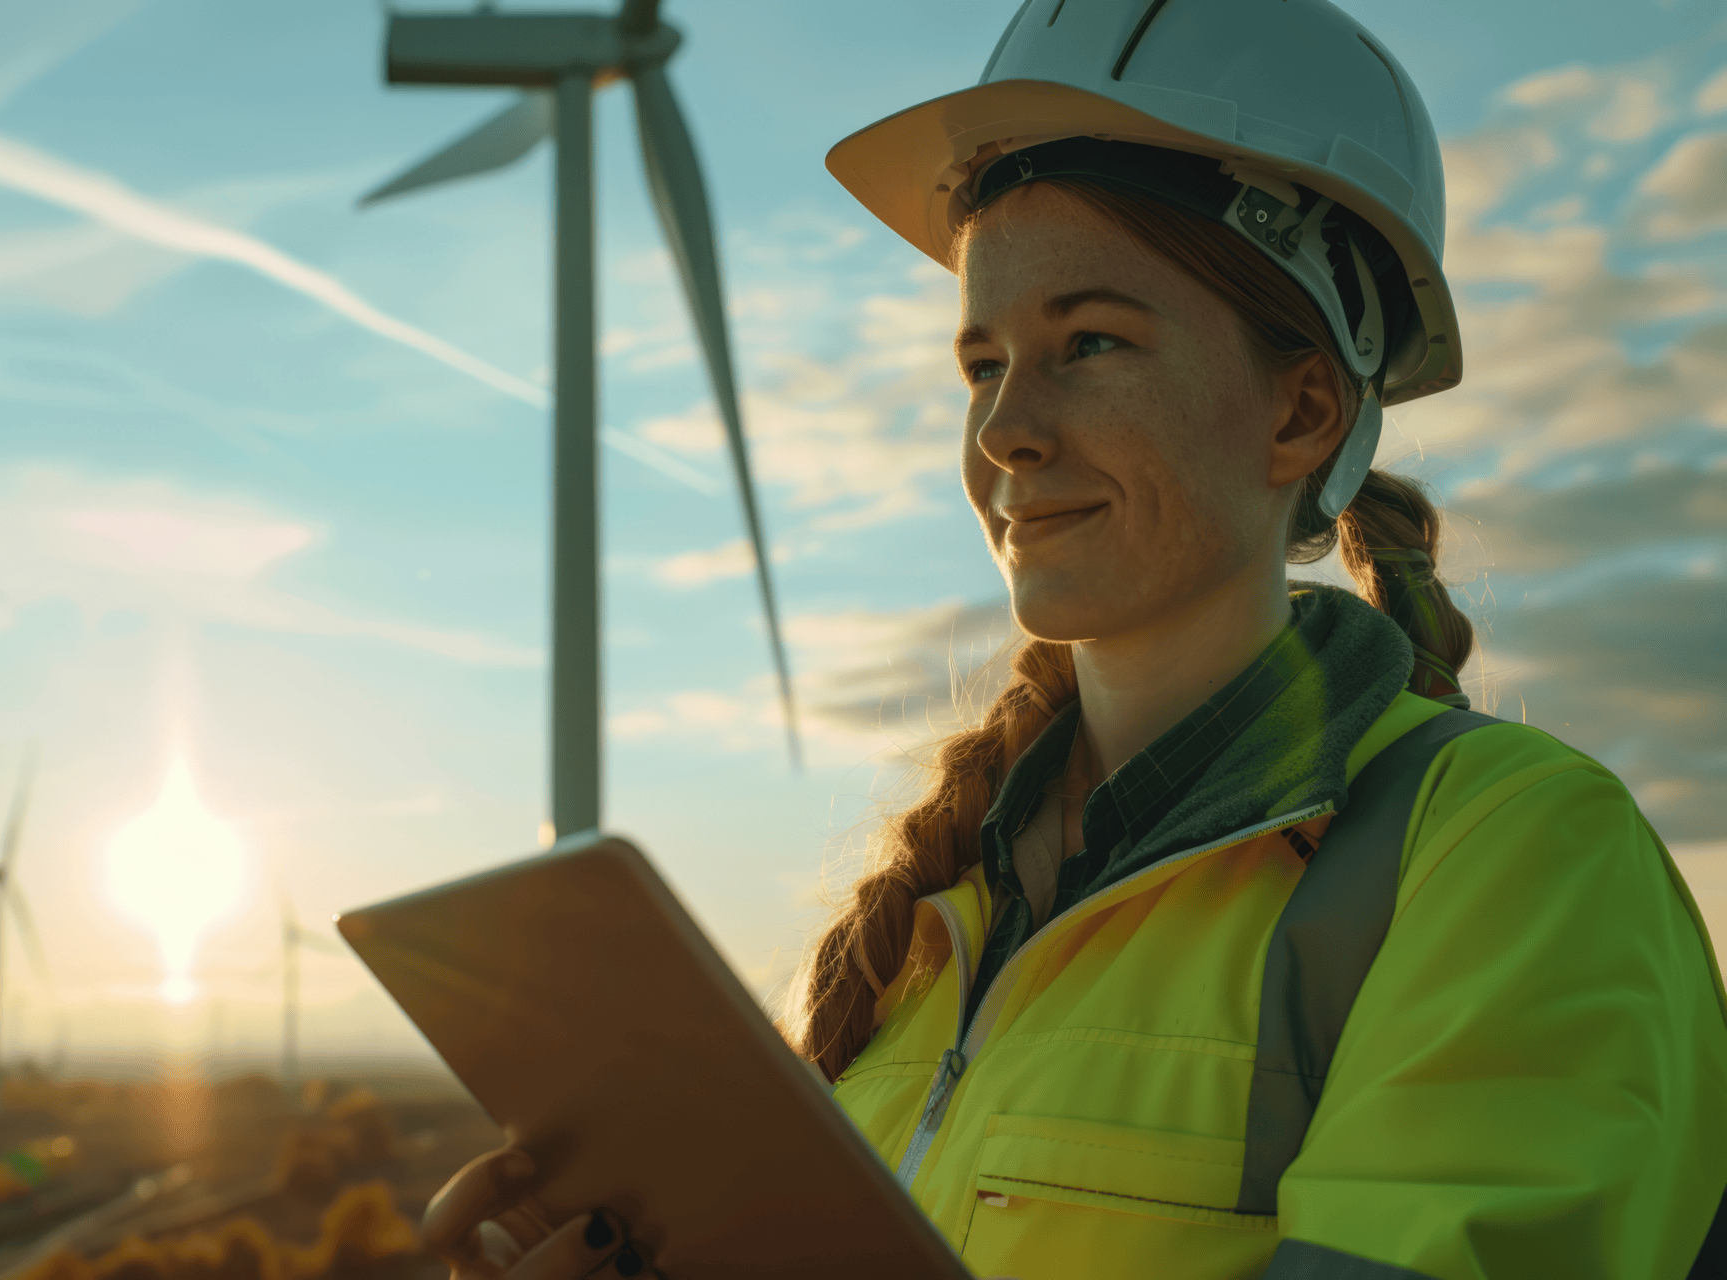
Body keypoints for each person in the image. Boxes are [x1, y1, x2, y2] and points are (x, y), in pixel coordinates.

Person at [419, 2, 1727, 1276]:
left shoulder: (1509, 861)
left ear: (1302, 413)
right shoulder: (933, 931)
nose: (1004, 430)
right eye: (982, 363)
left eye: (1087, 342)